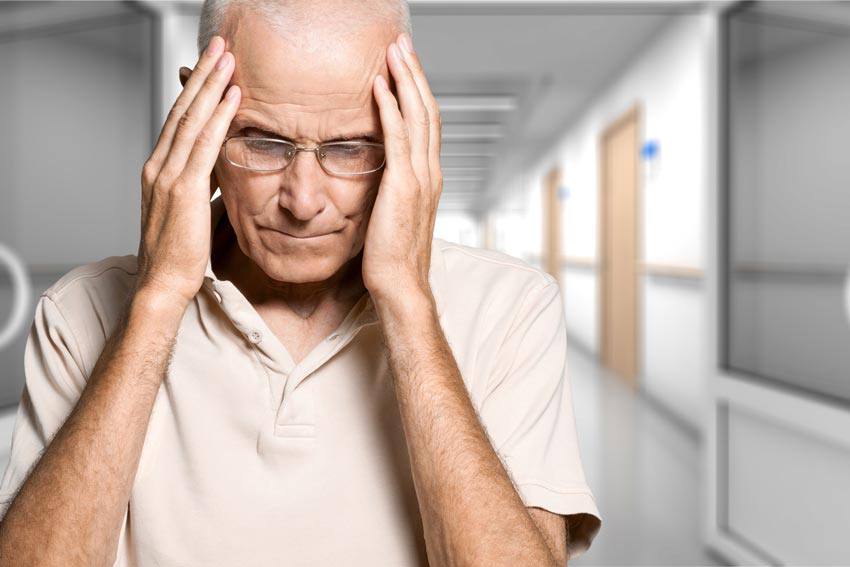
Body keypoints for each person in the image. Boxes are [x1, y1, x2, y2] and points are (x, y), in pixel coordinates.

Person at [0, 1, 601, 565]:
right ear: (196, 119)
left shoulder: (512, 307)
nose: (304, 201)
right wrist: (157, 298)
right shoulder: (80, 310)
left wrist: (406, 300)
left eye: (350, 148)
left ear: (408, 132)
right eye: (262, 142)